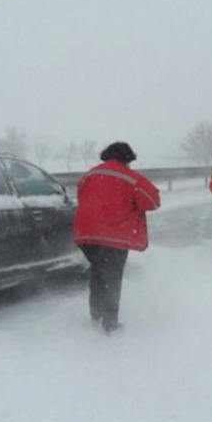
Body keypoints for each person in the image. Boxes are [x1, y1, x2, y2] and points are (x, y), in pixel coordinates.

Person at [73, 142, 161, 334]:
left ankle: (95, 313)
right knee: (113, 277)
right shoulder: (130, 178)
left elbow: (81, 197)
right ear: (127, 159)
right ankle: (110, 323)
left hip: (86, 235)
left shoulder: (88, 175)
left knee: (97, 270)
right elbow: (153, 201)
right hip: (114, 237)